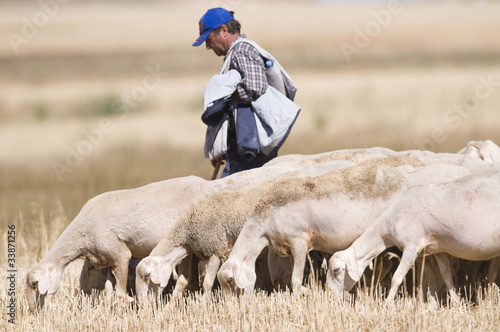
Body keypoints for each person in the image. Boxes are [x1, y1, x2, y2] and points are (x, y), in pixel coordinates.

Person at [193, 7, 299, 178]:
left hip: (250, 148)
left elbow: (255, 86)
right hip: (246, 145)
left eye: (209, 39)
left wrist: (224, 96)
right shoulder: (236, 52)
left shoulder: (241, 51)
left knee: (229, 196)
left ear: (224, 31)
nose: (207, 46)